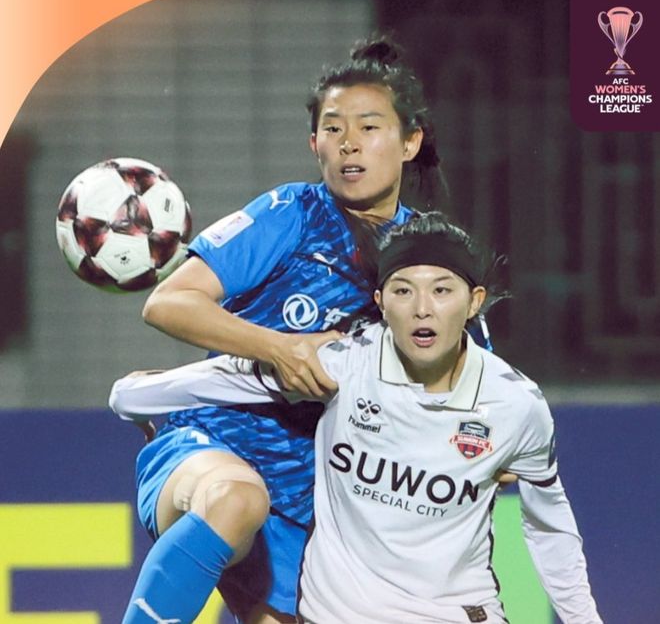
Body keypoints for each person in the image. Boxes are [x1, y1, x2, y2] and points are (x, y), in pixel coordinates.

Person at [119, 36, 465, 624]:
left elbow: (466, 387)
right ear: (314, 144)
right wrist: (279, 348)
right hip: (212, 448)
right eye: (333, 128)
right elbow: (169, 303)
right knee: (236, 500)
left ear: (410, 142)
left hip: (318, 504)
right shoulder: (292, 214)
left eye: (370, 127)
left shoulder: (430, 256)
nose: (349, 142)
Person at [110, 211, 602, 624]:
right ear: (381, 302)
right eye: (403, 291)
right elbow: (228, 378)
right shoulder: (344, 366)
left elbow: (550, 526)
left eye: (442, 291)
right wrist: (131, 396)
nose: (422, 309)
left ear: (473, 302)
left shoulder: (515, 406)